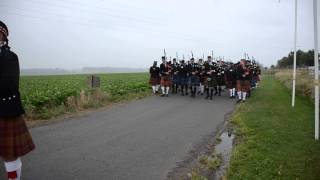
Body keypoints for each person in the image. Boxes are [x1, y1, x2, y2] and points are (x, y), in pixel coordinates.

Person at [0, 21, 35, 180]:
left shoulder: (9, 57)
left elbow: (10, 85)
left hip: (5, 110)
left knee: (9, 154)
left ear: (3, 36)